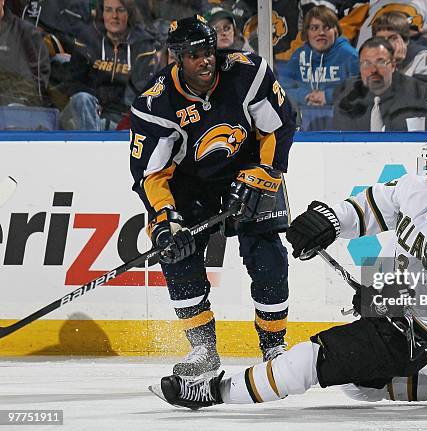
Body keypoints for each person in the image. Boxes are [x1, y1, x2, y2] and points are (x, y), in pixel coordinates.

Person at [148, 128, 427, 410]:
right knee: (357, 385)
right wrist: (329, 221)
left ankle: (213, 392)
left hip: (414, 336)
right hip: (389, 319)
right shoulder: (421, 192)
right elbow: (371, 205)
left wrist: (385, 298)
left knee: (310, 359)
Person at [129, 15, 297, 378]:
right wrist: (165, 217)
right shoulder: (155, 103)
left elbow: (280, 124)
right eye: (193, 54)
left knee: (267, 253)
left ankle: (274, 345)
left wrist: (265, 173)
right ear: (176, 57)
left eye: (207, 50)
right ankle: (203, 348)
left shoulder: (247, 72)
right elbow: (151, 174)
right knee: (177, 254)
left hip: (249, 168)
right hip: (190, 183)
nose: (205, 59)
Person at [59, 0, 159, 130]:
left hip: (121, 119)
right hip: (85, 113)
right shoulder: (87, 39)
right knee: (82, 99)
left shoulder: (143, 46)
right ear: (102, 13)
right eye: (108, 10)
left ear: (129, 14)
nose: (114, 16)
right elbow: (73, 83)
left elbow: (143, 92)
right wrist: (96, 101)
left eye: (120, 10)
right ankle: (91, 145)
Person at [332, 37, 427, 131]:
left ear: (393, 65)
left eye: (381, 62)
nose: (373, 70)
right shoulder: (347, 92)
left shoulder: (414, 92)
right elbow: (342, 139)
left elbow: (416, 140)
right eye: (367, 63)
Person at [281, 5, 359, 108]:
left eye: (326, 27)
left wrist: (328, 96)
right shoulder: (299, 55)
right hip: (306, 119)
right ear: (306, 33)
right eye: (314, 28)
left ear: (336, 31)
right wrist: (305, 96)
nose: (321, 33)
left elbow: (359, 89)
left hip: (342, 118)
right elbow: (282, 87)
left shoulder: (349, 55)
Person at [372, 10, 427, 102]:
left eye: (392, 38)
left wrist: (394, 66)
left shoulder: (422, 57)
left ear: (405, 40)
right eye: (380, 39)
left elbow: (419, 96)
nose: (385, 44)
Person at [0, 0, 50, 107]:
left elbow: (37, 80)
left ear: (2, 1)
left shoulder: (27, 33)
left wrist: (6, 100)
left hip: (16, 110)